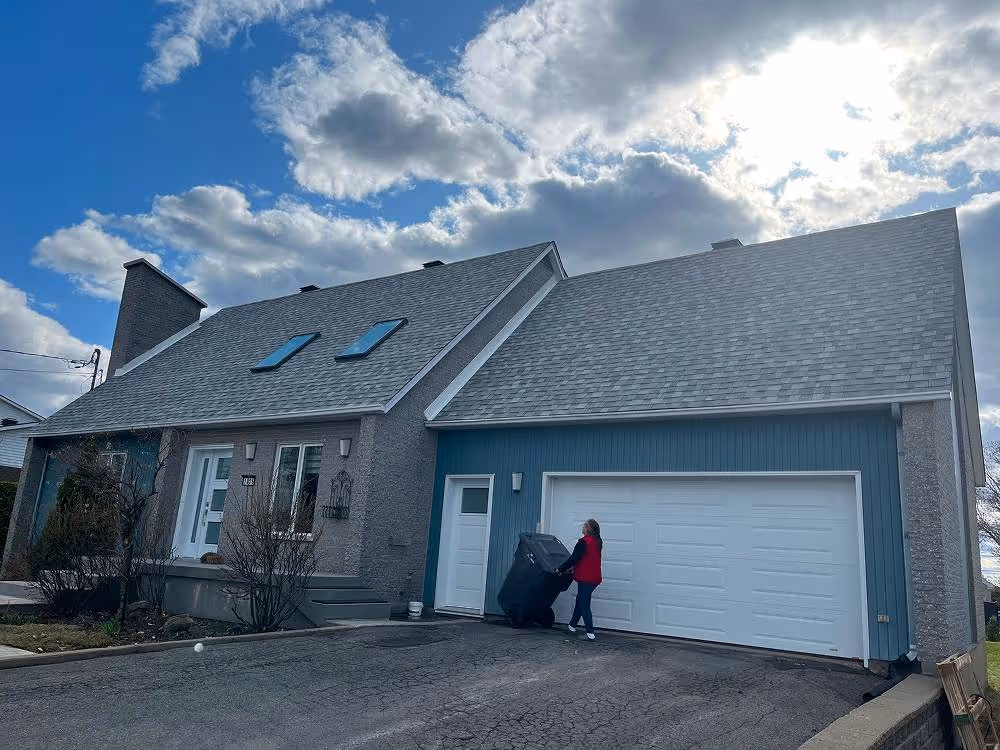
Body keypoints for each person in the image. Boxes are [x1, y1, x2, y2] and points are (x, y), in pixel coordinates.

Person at [555, 518, 603, 640]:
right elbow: (587, 559)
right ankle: (571, 626)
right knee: (580, 601)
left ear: (588, 529)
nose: (582, 527)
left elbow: (573, 559)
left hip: (586, 578)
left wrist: (560, 569)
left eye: (584, 526)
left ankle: (590, 634)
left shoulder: (584, 542)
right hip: (594, 577)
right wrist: (573, 568)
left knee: (584, 604)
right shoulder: (597, 541)